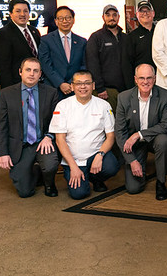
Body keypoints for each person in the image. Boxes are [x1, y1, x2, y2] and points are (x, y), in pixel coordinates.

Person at [49, 70, 120, 199]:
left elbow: (110, 136)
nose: (83, 87)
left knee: (111, 167)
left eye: (87, 83)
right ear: (72, 86)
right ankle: (81, 177)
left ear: (93, 86)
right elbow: (60, 140)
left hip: (95, 155)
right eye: (78, 83)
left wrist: (100, 155)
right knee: (79, 194)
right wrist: (73, 167)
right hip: (74, 159)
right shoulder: (62, 106)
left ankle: (96, 179)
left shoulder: (103, 105)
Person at [0, 58, 61, 197]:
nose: (32, 74)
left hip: (42, 142)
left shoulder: (51, 93)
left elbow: (57, 121)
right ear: (20, 72)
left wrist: (49, 136)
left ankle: (49, 183)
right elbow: (1, 126)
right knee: (25, 192)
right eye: (28, 70)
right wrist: (3, 153)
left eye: (35, 71)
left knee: (50, 165)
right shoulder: (7, 94)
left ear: (40, 74)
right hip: (21, 146)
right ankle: (35, 171)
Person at [115, 64, 167, 200]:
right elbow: (120, 132)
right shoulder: (124, 97)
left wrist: (139, 134)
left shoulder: (165, 96)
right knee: (133, 189)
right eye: (141, 78)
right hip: (134, 145)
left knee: (164, 140)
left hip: (155, 139)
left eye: (149, 78)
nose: (145, 82)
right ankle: (140, 167)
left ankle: (161, 182)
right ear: (135, 79)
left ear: (155, 78)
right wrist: (132, 161)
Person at [38, 6, 87, 98]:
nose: (65, 21)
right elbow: (45, 64)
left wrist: (72, 82)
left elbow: (84, 65)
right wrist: (60, 83)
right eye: (61, 18)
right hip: (53, 88)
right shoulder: (46, 40)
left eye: (68, 18)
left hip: (75, 88)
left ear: (73, 20)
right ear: (56, 21)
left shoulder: (82, 41)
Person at [0, 0, 42, 89]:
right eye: (18, 11)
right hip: (16, 86)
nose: (22, 14)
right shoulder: (3, 34)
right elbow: (2, 67)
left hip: (37, 84)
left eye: (25, 11)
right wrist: (10, 90)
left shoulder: (34, 31)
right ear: (10, 14)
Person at [86, 4, 126, 111]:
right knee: (108, 119)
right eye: (108, 15)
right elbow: (92, 63)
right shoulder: (96, 37)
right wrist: (100, 88)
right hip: (106, 91)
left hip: (125, 90)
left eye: (114, 15)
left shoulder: (125, 37)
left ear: (119, 17)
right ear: (103, 17)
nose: (111, 18)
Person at [121, 0, 156, 89]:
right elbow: (127, 63)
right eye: (141, 11)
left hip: (162, 81)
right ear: (137, 15)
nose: (145, 13)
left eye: (147, 11)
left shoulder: (161, 32)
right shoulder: (131, 37)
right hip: (142, 83)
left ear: (153, 13)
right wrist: (130, 86)